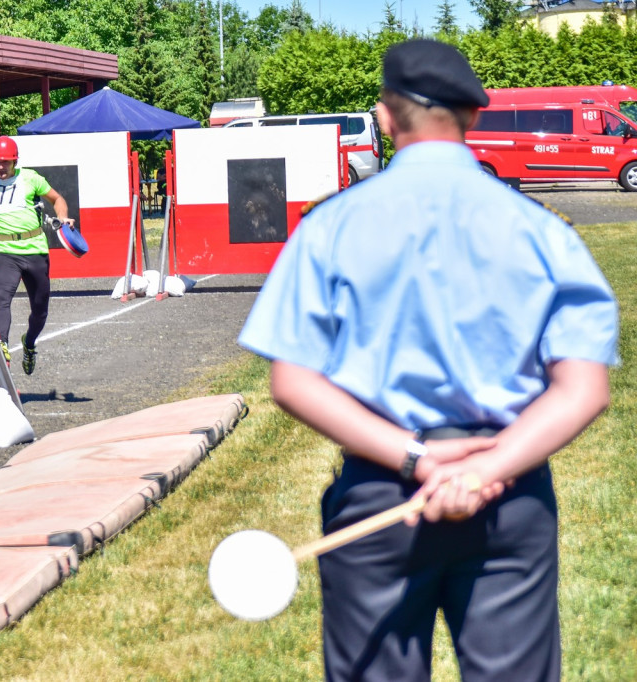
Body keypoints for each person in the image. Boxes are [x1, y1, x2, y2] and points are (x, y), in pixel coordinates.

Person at [238, 39, 618, 681]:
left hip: (381, 490)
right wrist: (490, 465)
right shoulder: (542, 229)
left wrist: (417, 459)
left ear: (385, 117)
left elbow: (293, 381)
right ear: (473, 116)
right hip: (509, 491)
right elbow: (583, 388)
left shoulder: (331, 225)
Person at [0, 135, 73, 375]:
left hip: (35, 250)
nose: (0, 166)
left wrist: (63, 217)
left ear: (15, 161)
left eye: (5, 162)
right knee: (2, 298)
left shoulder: (31, 178)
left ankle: (29, 342)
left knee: (40, 310)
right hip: (6, 251)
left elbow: (57, 199)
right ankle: (1, 345)